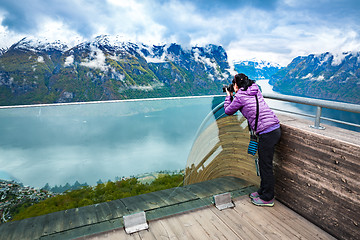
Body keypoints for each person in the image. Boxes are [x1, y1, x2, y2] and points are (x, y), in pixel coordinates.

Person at [224, 73, 281, 207]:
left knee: (265, 166)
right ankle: (262, 191)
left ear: (236, 85)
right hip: (274, 128)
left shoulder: (240, 96)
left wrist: (228, 96)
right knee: (263, 164)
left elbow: (228, 111)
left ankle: (268, 198)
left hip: (267, 132)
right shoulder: (255, 90)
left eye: (234, 84)